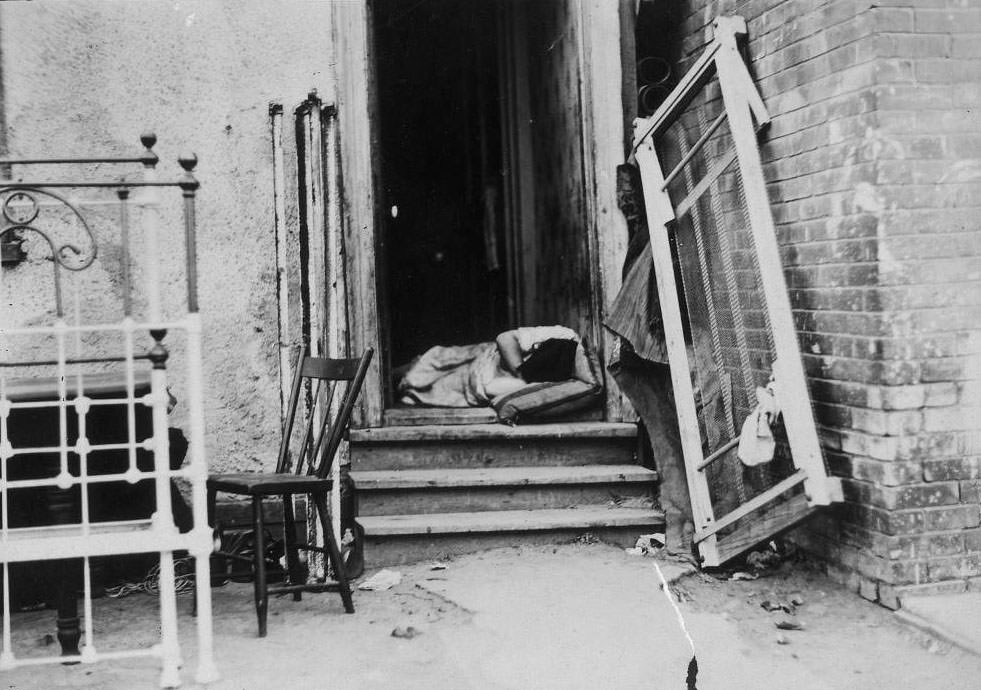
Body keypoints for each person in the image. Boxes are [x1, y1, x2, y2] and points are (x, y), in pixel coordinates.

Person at [396, 325, 581, 408]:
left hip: (477, 382)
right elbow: (505, 338)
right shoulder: (563, 336)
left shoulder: (555, 377)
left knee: (425, 389)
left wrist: (521, 378)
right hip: (486, 356)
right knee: (429, 361)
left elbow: (491, 388)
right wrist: (519, 368)